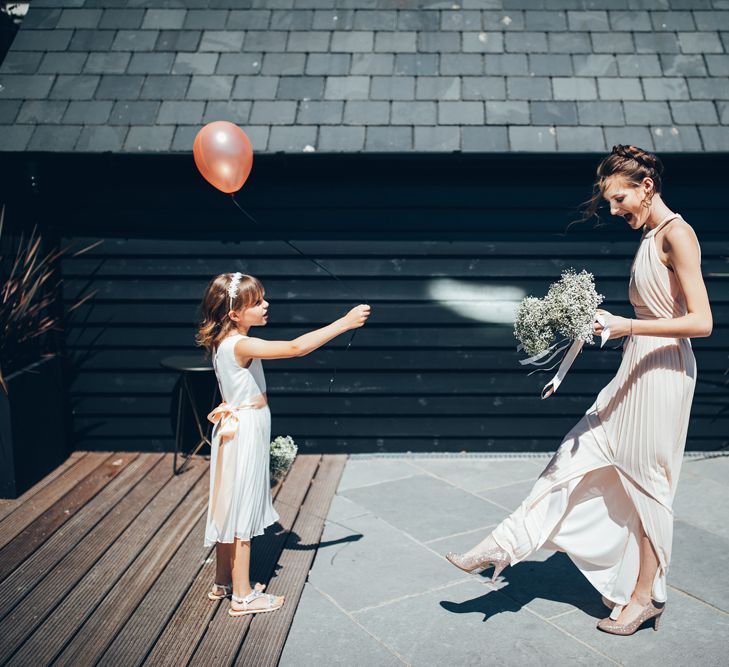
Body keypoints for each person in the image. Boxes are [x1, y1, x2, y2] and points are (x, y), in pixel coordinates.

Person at [445, 145, 713, 635]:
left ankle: (644, 597)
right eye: (609, 202)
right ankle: (502, 546)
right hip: (636, 368)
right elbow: (649, 313)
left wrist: (625, 326)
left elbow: (701, 322)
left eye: (618, 199)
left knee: (648, 486)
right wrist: (597, 324)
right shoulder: (650, 234)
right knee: (574, 452)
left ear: (645, 188)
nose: (613, 211)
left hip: (663, 375)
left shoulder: (678, 235)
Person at [196, 272, 370, 616]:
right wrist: (345, 323)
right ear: (234, 313)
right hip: (244, 430)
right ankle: (243, 596)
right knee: (242, 507)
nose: (266, 305)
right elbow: (295, 348)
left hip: (236, 427)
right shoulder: (241, 344)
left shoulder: (225, 339)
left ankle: (223, 581)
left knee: (228, 504)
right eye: (257, 302)